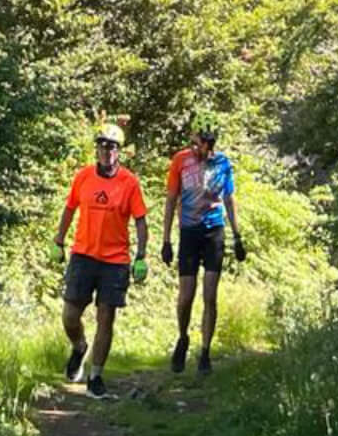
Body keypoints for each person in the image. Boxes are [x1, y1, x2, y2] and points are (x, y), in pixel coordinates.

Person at [54, 122, 148, 398]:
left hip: (115, 260)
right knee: (70, 315)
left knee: (106, 317)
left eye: (113, 146)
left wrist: (141, 256)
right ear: (96, 148)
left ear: (119, 151)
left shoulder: (129, 182)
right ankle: (80, 347)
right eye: (103, 145)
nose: (107, 151)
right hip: (83, 254)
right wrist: (58, 241)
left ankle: (95, 376)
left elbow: (141, 221)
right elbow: (70, 209)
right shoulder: (83, 177)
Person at [160, 118, 244, 373]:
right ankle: (183, 337)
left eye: (202, 144)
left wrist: (237, 237)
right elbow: (171, 199)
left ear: (210, 143)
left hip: (213, 232)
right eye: (194, 143)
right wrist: (166, 240)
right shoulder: (180, 161)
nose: (197, 148)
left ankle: (205, 352)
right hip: (188, 232)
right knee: (186, 296)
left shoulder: (223, 163)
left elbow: (229, 199)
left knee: (210, 295)